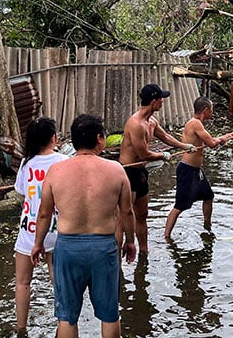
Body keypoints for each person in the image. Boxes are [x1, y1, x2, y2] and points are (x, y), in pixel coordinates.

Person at [31, 114, 136, 338]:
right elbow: (127, 211)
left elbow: (44, 214)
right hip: (103, 247)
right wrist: (130, 241)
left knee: (67, 317)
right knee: (110, 314)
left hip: (68, 248)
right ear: (99, 139)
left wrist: (38, 244)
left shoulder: (56, 172)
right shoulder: (116, 170)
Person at [119, 84, 196, 253]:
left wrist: (184, 146)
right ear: (154, 101)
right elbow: (143, 153)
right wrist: (162, 155)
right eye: (161, 99)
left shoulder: (152, 121)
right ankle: (116, 259)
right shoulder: (136, 124)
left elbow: (166, 137)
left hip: (141, 173)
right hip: (128, 172)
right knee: (123, 218)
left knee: (142, 215)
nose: (163, 102)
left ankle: (144, 252)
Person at [13, 117, 69, 333]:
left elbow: (21, 192)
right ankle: (63, 325)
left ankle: (21, 328)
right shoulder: (65, 161)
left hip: (30, 229)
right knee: (59, 282)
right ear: (54, 138)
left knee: (22, 282)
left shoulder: (27, 164)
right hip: (58, 228)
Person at [164, 97, 233, 240]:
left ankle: (207, 226)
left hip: (196, 171)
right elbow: (211, 143)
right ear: (205, 110)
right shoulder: (196, 124)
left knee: (208, 196)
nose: (212, 112)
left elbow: (211, 140)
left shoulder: (196, 124)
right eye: (211, 109)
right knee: (179, 205)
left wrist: (227, 136)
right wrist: (225, 138)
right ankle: (167, 236)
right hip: (187, 170)